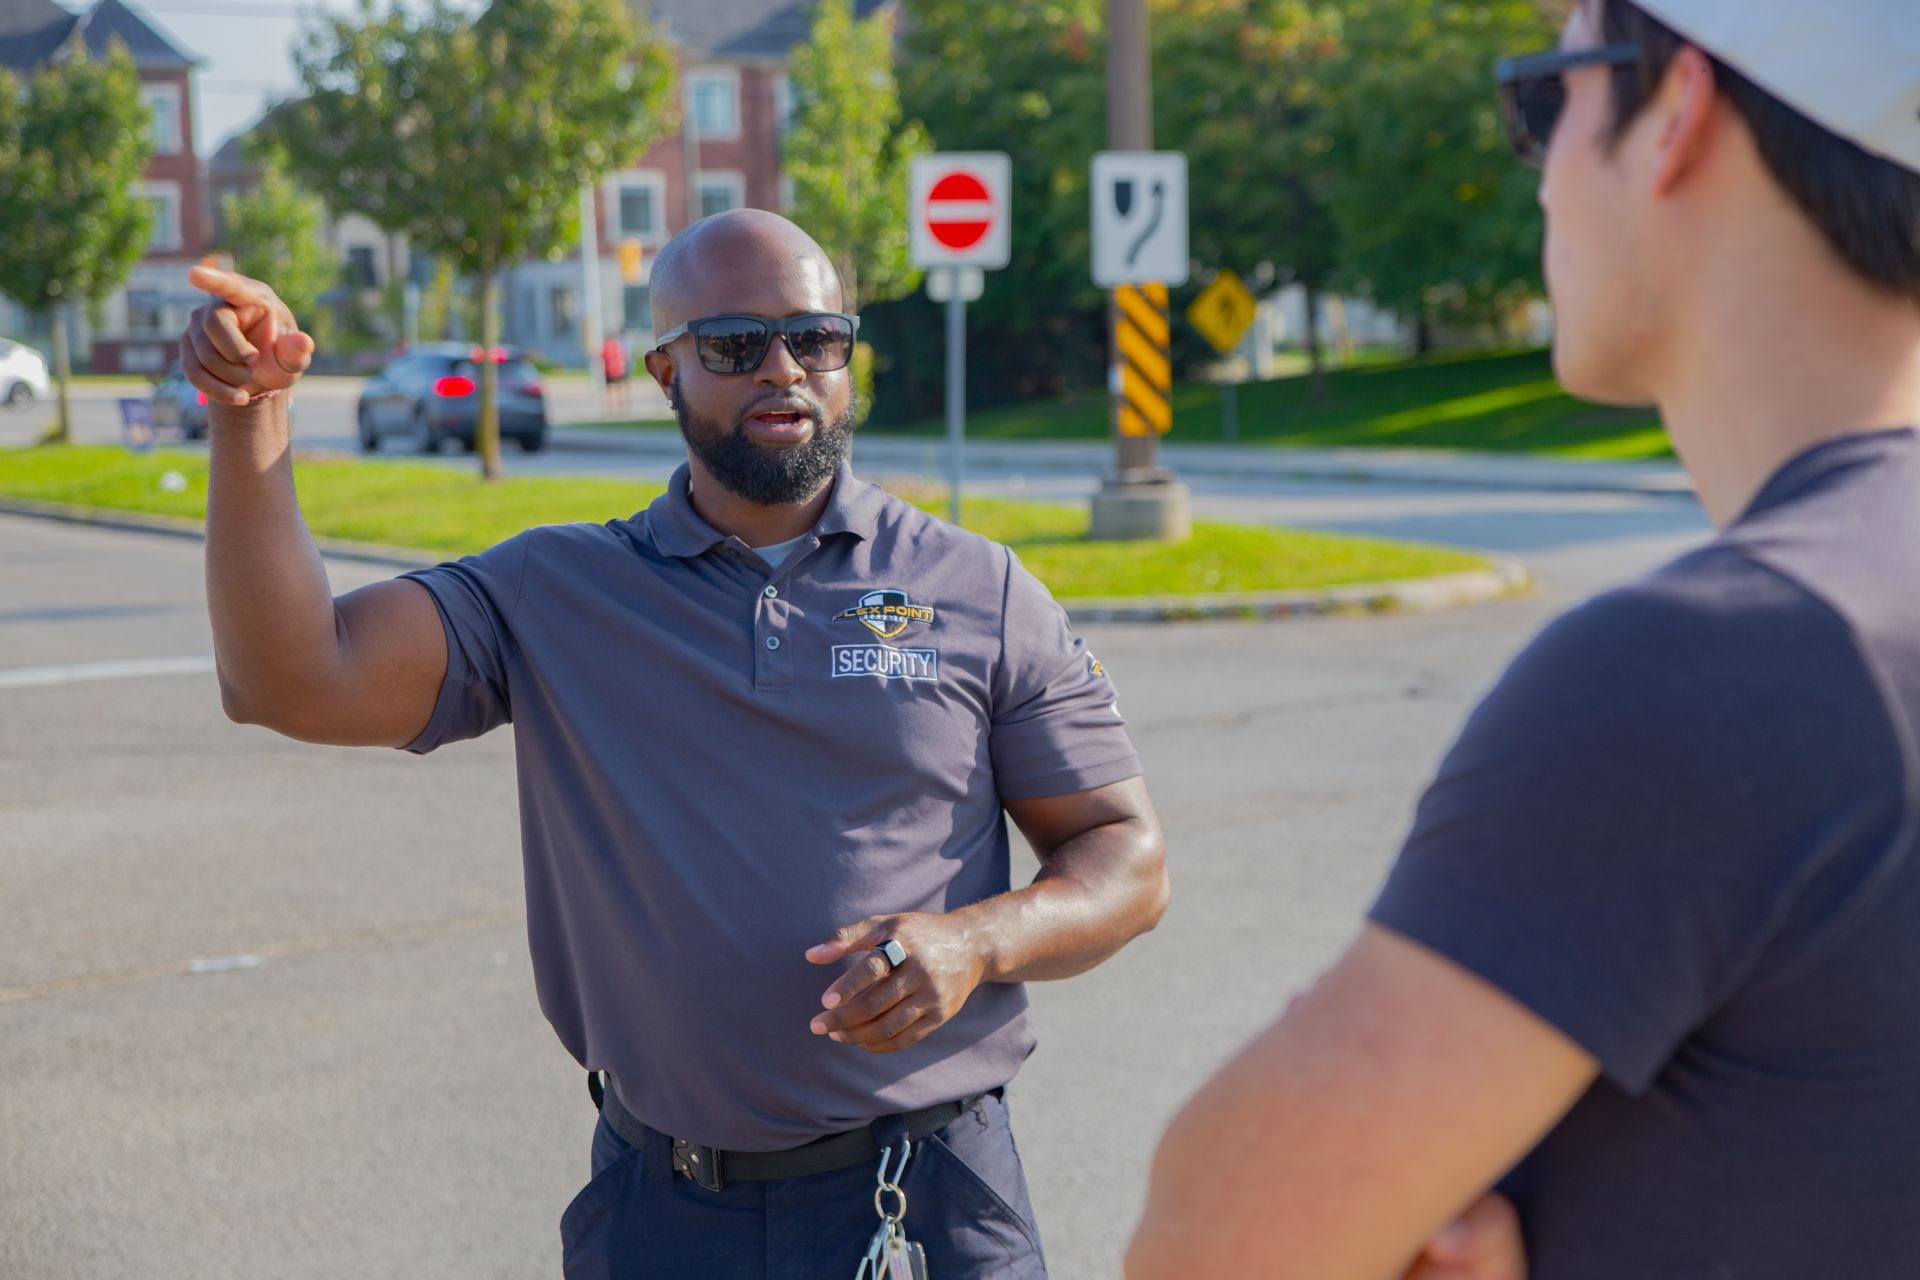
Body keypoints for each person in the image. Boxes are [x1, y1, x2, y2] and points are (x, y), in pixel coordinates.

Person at [180, 208, 1170, 1277]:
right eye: (737, 344)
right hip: (665, 1210)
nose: (785, 368)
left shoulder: (979, 587)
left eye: (818, 338)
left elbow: (1127, 858)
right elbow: (286, 678)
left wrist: (977, 941)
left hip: (928, 1201)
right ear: (664, 371)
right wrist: (252, 413)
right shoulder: (553, 591)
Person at [1129, 0, 1920, 1276]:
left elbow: (1214, 1244)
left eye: (1546, 97)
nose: (1539, 170)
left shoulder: (1716, 665)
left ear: (1676, 114)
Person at [600, 328, 629, 413]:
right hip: (619, 369)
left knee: (610, 388)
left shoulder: (606, 345)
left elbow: (602, 356)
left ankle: (611, 404)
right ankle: (621, 402)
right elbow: (623, 356)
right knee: (619, 387)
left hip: (609, 369)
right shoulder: (617, 345)